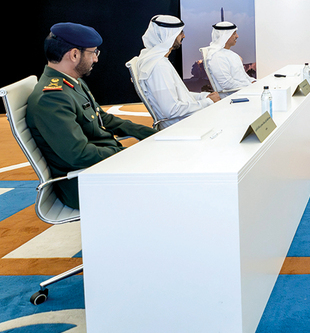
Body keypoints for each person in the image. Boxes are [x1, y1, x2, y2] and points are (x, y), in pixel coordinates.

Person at [26, 23, 157, 209]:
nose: (96, 59)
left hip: (98, 170)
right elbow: (79, 154)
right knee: (166, 182)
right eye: (93, 52)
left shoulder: (71, 83)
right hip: (84, 184)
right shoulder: (52, 98)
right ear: (74, 55)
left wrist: (152, 135)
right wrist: (127, 154)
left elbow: (104, 119)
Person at [136, 15, 220, 128]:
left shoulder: (159, 61)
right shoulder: (159, 66)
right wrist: (208, 102)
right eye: (180, 32)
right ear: (169, 35)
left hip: (187, 120)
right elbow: (172, 110)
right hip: (183, 126)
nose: (183, 36)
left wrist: (204, 97)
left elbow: (179, 96)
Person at [201, 21, 256, 93]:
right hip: (235, 95)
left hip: (245, 90)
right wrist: (250, 86)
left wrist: (255, 82)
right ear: (225, 36)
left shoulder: (230, 54)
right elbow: (227, 84)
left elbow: (243, 77)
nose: (237, 36)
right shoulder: (217, 56)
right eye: (234, 33)